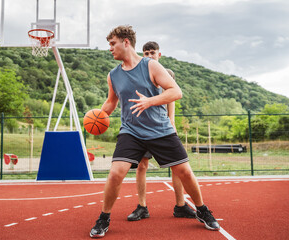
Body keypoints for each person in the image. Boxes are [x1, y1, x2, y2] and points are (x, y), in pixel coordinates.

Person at [90, 25, 220, 238]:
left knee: (185, 172)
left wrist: (150, 101)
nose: (110, 48)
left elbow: (176, 91)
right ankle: (104, 218)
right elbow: (111, 102)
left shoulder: (150, 66)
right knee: (116, 173)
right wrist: (96, 115)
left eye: (112, 43)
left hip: (160, 129)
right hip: (131, 131)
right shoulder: (113, 75)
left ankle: (202, 210)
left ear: (126, 42)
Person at [127, 41, 195, 222]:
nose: (149, 56)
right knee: (142, 166)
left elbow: (171, 96)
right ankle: (142, 207)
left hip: (161, 127)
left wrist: (171, 120)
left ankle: (180, 205)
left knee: (178, 167)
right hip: (141, 127)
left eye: (152, 53)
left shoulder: (166, 73)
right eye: (146, 53)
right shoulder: (138, 73)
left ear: (159, 54)